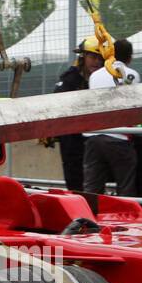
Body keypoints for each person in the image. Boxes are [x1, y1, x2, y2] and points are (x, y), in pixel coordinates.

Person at [82, 38, 142, 196]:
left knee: (92, 186)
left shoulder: (95, 75)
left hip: (93, 136)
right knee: (126, 185)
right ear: (130, 58)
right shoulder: (133, 75)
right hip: (119, 137)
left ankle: (88, 218)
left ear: (111, 54)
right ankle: (126, 219)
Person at [51, 38, 104, 191]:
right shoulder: (70, 79)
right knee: (75, 178)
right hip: (71, 138)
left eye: (100, 58)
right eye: (93, 57)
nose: (97, 62)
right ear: (83, 57)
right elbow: (57, 103)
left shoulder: (102, 79)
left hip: (92, 138)